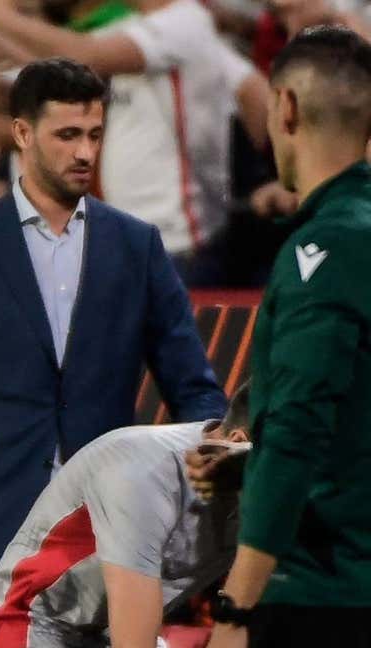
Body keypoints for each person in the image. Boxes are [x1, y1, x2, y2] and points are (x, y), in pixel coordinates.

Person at [0, 58, 226, 624]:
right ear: (22, 133)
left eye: (94, 135)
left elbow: (194, 388)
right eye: (67, 135)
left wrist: (214, 456)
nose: (85, 152)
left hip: (112, 533)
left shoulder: (136, 246)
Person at [202, 26, 371, 648]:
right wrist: (251, 465)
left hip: (325, 596)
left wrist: (235, 610)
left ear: (287, 108)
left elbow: (299, 429)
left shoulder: (324, 246)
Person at [0, 0, 270, 287]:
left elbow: (88, 56)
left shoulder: (187, 20)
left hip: (175, 245)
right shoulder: (132, 29)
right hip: (127, 241)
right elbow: (56, 64)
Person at [0, 384, 251, 648]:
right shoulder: (145, 474)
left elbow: (238, 623)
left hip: (104, 631)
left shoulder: (270, 490)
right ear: (238, 443)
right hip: (34, 619)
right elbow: (132, 644)